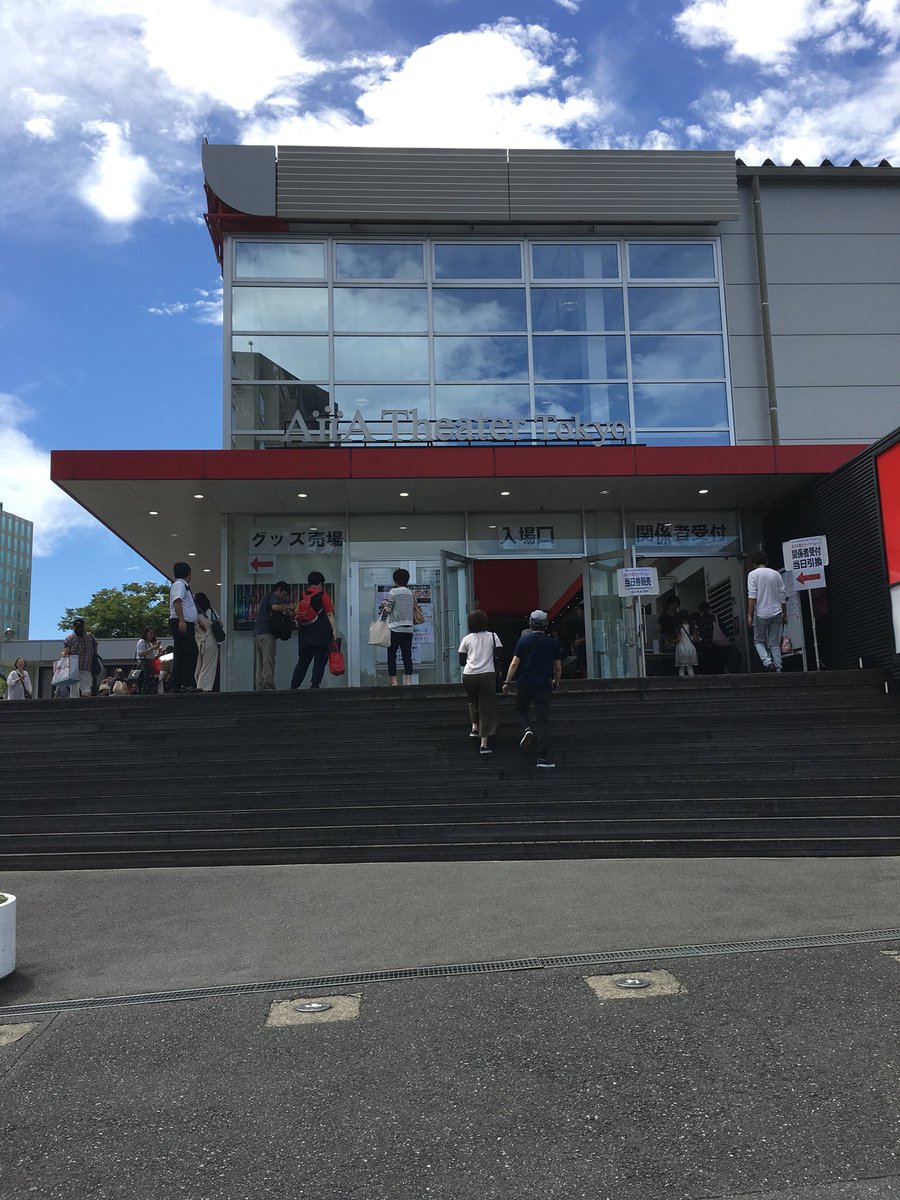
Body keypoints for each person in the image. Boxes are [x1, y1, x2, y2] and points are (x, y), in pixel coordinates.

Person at [501, 609, 562, 769]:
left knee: (521, 710)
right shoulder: (552, 643)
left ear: (530, 624)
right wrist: (556, 681)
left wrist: (507, 681)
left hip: (525, 683)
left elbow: (514, 663)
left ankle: (527, 729)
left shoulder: (524, 641)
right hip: (543, 686)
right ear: (546, 625)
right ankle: (542, 758)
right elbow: (557, 667)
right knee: (543, 722)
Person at [459, 611, 503, 754]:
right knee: (486, 707)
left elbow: (461, 661)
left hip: (469, 675)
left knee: (473, 701)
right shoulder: (492, 636)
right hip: (487, 674)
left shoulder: (466, 639)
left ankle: (474, 727)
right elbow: (499, 654)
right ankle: (483, 744)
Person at [291, 571, 337, 690]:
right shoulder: (323, 595)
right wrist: (334, 631)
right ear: (320, 583)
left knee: (303, 661)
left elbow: (298, 612)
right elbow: (330, 614)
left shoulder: (302, 595)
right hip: (321, 633)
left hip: (305, 633)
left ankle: (294, 685)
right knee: (320, 659)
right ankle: (315, 685)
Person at [747, 551, 788, 672]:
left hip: (760, 613)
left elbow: (752, 596)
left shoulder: (752, 575)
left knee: (758, 641)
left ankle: (768, 662)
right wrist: (785, 615)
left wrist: (749, 615)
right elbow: (782, 596)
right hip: (777, 612)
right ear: (767, 562)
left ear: (754, 564)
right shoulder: (776, 574)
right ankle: (778, 669)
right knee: (774, 643)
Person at [254, 580, 293, 691]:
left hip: (258, 633)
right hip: (267, 633)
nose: (283, 597)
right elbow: (275, 607)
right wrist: (288, 607)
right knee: (268, 660)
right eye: (283, 594)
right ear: (279, 590)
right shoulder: (272, 595)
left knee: (261, 662)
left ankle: (260, 685)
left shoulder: (266, 597)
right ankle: (268, 685)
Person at [380, 568, 415, 687]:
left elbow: (388, 609)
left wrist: (384, 605)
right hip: (408, 629)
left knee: (392, 655)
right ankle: (408, 680)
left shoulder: (393, 592)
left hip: (395, 628)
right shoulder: (410, 593)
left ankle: (394, 681)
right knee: (407, 655)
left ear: (396, 580)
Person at [168, 561, 199, 693]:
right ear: (188, 573)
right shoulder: (180, 585)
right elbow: (177, 601)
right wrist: (182, 620)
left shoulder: (181, 585)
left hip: (183, 622)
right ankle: (187, 683)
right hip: (181, 622)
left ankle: (176, 684)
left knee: (180, 653)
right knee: (191, 651)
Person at [61, 616, 99, 698]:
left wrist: (64, 655)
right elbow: (96, 646)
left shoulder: (70, 638)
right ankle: (86, 693)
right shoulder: (90, 636)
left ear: (74, 626)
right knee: (86, 681)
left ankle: (74, 698)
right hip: (87, 663)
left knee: (74, 683)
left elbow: (66, 651)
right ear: (83, 626)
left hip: (73, 664)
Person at [194, 592, 222, 692]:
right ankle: (204, 688)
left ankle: (197, 685)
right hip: (210, 641)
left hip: (198, 642)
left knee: (198, 667)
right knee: (208, 667)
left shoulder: (194, 614)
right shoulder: (211, 611)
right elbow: (221, 624)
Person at [135, 627, 161, 695]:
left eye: (153, 634)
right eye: (150, 633)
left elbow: (151, 657)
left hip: (149, 663)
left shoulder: (149, 643)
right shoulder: (142, 641)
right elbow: (140, 653)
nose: (152, 635)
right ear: (146, 633)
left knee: (149, 681)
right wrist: (152, 648)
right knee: (144, 681)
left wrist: (158, 654)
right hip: (143, 663)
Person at [674, 609, 698, 677]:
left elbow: (678, 639)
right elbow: (695, 639)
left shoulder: (678, 627)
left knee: (682, 668)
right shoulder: (692, 626)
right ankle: (692, 681)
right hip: (690, 648)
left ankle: (681, 681)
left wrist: (669, 642)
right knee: (690, 667)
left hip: (681, 648)